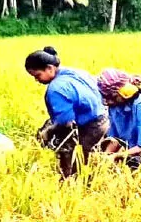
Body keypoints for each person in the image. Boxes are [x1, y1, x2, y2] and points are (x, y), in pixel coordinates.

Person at [25, 46, 108, 178]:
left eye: (37, 75)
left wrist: (46, 134)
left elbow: (66, 123)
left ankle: (72, 186)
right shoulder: (75, 72)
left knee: (78, 168)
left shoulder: (56, 89)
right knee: (93, 162)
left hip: (91, 128)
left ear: (50, 68)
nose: (37, 80)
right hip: (105, 119)